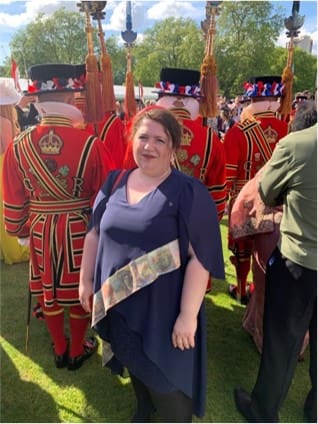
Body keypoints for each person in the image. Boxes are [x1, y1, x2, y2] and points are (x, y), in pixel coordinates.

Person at [79, 106, 225, 422]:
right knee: (133, 359)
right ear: (132, 140)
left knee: (169, 385)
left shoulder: (189, 192)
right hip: (118, 304)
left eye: (160, 140)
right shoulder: (114, 181)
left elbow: (199, 258)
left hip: (163, 311)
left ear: (173, 148)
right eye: (143, 137)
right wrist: (85, 281)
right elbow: (94, 234)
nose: (149, 146)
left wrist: (188, 316)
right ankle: (144, 409)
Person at [2, 63, 115, 370]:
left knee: (47, 287)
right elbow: (105, 196)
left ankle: (60, 347)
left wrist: (20, 230)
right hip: (80, 227)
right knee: (81, 283)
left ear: (37, 100)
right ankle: (78, 348)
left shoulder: (17, 145)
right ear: (70, 99)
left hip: (39, 227)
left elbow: (12, 197)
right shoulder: (91, 144)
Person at [234, 115, 317, 422]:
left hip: (300, 261)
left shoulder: (297, 144)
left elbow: (267, 193)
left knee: (282, 343)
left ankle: (263, 410)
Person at [223, 75, 289, 304]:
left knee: (243, 248)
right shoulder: (289, 129)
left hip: (246, 201)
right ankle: (264, 292)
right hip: (278, 202)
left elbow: (228, 174)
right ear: (273, 100)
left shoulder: (237, 131)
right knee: (271, 250)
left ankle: (241, 289)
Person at [0, 80, 30, 264]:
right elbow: (8, 147)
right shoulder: (5, 122)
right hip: (4, 164)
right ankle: (10, 250)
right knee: (6, 207)